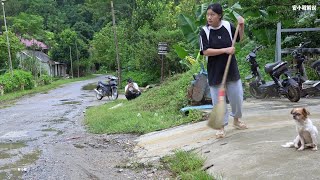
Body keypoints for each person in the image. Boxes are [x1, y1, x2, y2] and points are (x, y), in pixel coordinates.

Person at [199, 3, 247, 138]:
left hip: (231, 68)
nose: (209, 17)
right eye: (208, 15)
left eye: (212, 15)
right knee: (219, 101)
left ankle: (237, 120)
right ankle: (221, 127)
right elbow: (206, 51)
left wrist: (241, 26)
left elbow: (239, 38)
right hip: (215, 71)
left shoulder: (227, 25)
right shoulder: (205, 31)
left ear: (219, 16)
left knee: (237, 97)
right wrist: (225, 50)